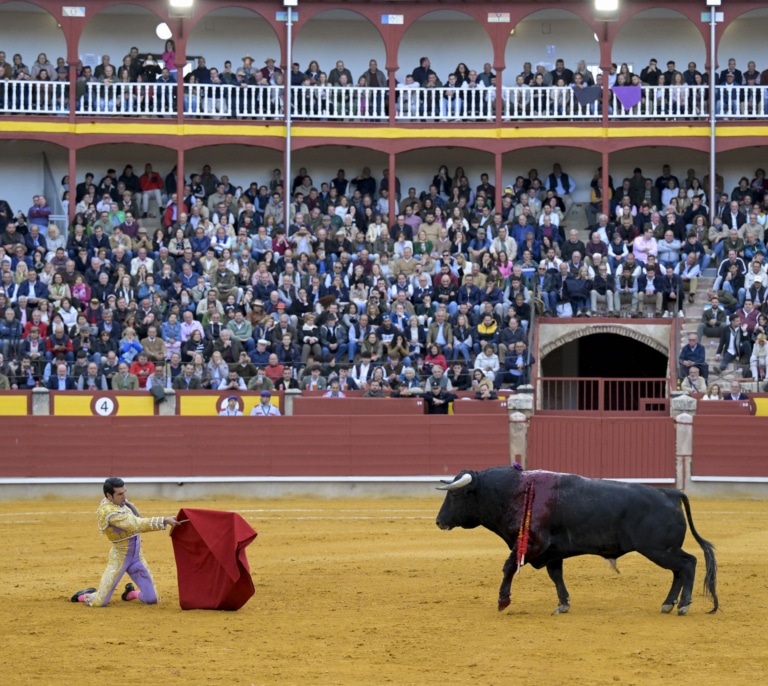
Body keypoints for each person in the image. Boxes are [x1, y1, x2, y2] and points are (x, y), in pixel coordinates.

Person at [70, 477, 182, 606]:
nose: (124, 496)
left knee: (152, 599)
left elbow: (138, 518)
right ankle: (83, 596)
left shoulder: (121, 503)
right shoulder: (108, 512)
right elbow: (136, 524)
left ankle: (130, 594)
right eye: (120, 494)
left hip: (136, 558)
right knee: (99, 602)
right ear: (109, 495)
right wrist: (164, 520)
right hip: (120, 558)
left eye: (124, 492)